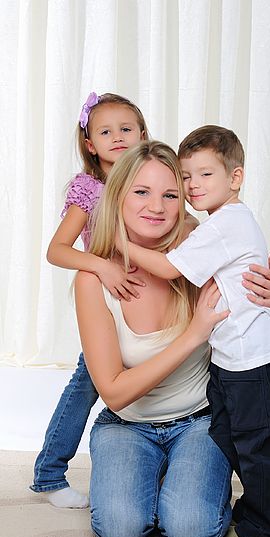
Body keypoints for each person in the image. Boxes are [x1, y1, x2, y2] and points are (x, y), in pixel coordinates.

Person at [74, 139, 270, 537]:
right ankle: (153, 476)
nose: (157, 206)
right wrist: (193, 336)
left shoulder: (198, 256)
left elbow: (248, 312)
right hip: (127, 424)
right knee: (120, 530)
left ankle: (186, 479)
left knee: (191, 533)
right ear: (118, 196)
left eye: (170, 194)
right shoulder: (93, 280)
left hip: (199, 419)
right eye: (141, 192)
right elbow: (114, 394)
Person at [30, 92, 150, 508]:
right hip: (106, 302)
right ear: (89, 144)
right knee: (88, 382)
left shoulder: (149, 183)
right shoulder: (91, 189)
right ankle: (48, 475)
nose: (117, 137)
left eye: (126, 129)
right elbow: (57, 249)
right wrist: (102, 266)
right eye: (105, 131)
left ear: (142, 135)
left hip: (146, 302)